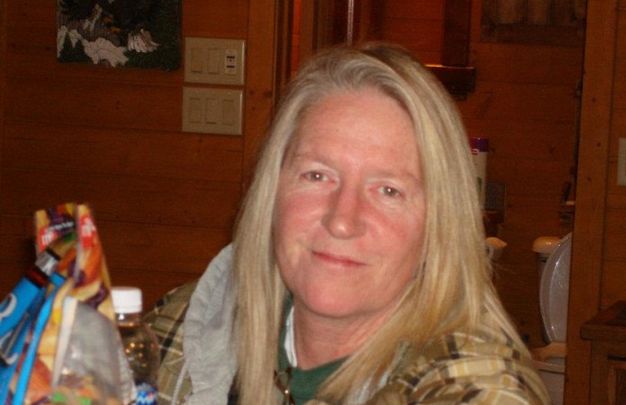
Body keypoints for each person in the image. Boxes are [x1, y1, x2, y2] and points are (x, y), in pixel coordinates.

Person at [145, 43, 550, 405]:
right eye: (317, 175)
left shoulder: (479, 389)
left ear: (439, 226)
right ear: (272, 191)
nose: (341, 221)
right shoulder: (183, 326)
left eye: (388, 190)